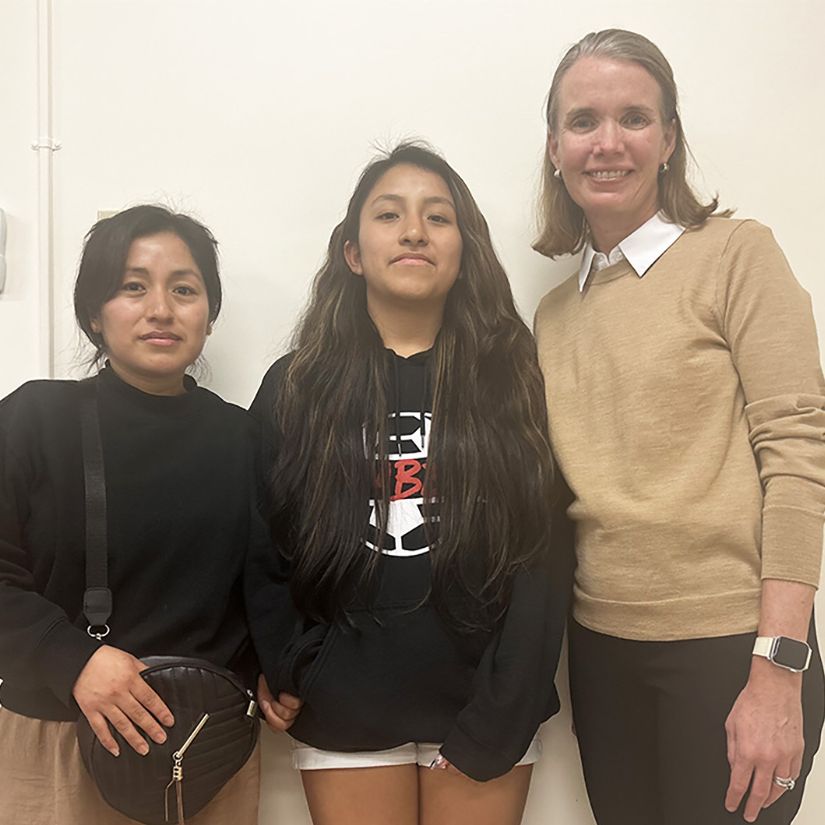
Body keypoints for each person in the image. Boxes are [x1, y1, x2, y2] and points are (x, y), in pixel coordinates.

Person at [533, 28, 825, 825]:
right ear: (554, 147)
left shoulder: (735, 255)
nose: (607, 142)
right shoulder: (553, 315)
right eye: (583, 120)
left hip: (731, 646)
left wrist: (778, 666)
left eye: (633, 117)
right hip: (601, 649)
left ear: (667, 139)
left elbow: (799, 455)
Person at [246, 142, 572, 825]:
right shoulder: (296, 386)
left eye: (438, 217)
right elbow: (263, 544)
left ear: (465, 251)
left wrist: (506, 705)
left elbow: (543, 558)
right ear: (352, 252)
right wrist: (296, 665)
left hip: (485, 706)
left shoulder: (517, 380)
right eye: (389, 214)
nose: (415, 231)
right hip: (344, 703)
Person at [0, 205, 261, 824]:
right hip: (61, 736)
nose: (161, 309)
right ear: (95, 312)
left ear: (210, 313)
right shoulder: (35, 419)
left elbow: (267, 582)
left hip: (206, 747)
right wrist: (74, 660)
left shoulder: (244, 436)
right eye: (133, 287)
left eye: (184, 289)